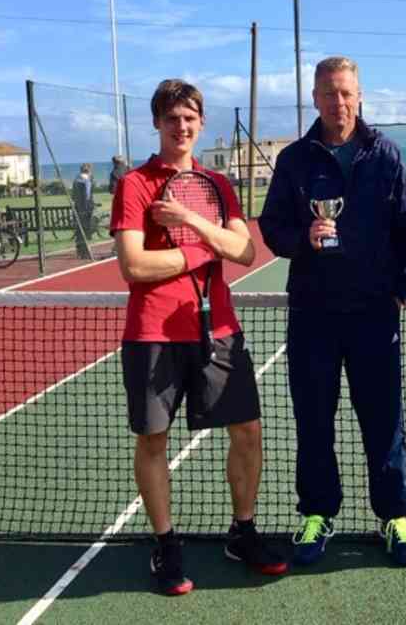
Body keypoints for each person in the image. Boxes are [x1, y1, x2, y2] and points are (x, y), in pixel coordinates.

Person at [111, 79, 287, 596]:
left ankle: (243, 531)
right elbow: (133, 264)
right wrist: (202, 251)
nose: (181, 126)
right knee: (152, 440)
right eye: (171, 119)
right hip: (153, 335)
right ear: (157, 124)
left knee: (248, 431)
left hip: (219, 330)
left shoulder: (217, 185)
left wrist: (189, 220)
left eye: (189, 118)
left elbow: (246, 252)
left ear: (200, 122)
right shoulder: (136, 184)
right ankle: (166, 545)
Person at [258, 56, 406, 566]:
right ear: (314, 97)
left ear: (360, 95)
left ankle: (394, 516)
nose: (338, 102)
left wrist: (402, 288)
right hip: (312, 314)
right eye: (329, 93)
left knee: (384, 420)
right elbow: (272, 228)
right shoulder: (294, 160)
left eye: (346, 92)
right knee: (313, 420)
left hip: (374, 314)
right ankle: (317, 513)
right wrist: (301, 240)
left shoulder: (385, 153)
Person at [72, 162, 94, 259]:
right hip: (85, 208)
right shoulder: (86, 181)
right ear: (89, 170)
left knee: (79, 229)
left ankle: (80, 249)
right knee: (85, 229)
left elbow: (73, 196)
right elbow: (87, 196)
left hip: (78, 207)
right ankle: (85, 251)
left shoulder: (76, 179)